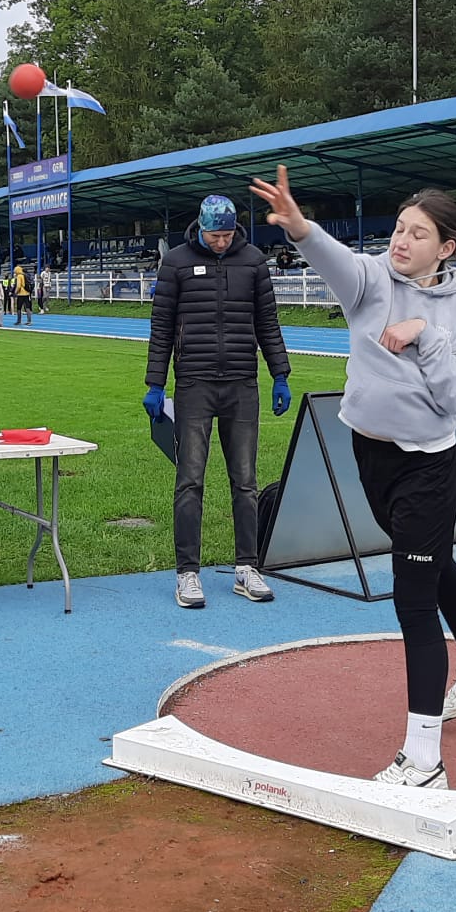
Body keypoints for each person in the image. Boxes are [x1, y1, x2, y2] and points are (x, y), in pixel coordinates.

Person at [248, 167, 456, 789]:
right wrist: (300, 226)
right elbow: (332, 258)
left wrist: (425, 336)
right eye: (398, 227)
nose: (401, 240)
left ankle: (423, 761)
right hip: (371, 458)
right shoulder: (369, 282)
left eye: (418, 234)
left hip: (428, 467)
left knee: (413, 598)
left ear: (444, 249)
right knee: (432, 564)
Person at [143, 194, 293, 609]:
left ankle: (247, 567)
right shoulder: (175, 262)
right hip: (194, 384)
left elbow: (267, 321)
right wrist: (155, 383)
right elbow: (161, 326)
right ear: (201, 228)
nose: (222, 242)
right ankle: (187, 573)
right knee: (190, 480)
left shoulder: (254, 261)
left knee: (245, 481)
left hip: (242, 385)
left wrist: (280, 374)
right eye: (215, 236)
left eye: (227, 235)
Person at [14, 259, 34, 325]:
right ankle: (29, 321)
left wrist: (15, 292)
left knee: (19, 308)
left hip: (21, 294)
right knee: (27, 307)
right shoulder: (25, 275)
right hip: (27, 293)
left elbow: (18, 286)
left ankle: (19, 320)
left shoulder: (19, 276)